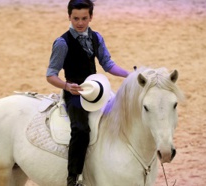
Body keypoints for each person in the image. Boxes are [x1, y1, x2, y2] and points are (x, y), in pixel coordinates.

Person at [46, 0, 129, 185]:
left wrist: (129, 75)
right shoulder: (62, 43)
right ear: (69, 17)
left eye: (84, 18)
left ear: (91, 17)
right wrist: (67, 87)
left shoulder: (96, 38)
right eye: (76, 18)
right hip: (75, 94)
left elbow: (108, 65)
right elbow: (51, 75)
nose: (80, 23)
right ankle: (73, 177)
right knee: (81, 130)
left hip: (97, 89)